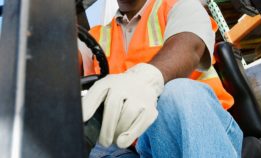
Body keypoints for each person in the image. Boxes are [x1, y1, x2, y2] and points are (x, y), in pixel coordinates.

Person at [81, 0, 243, 157]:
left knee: (177, 93)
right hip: (135, 146)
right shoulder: (94, 37)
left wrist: (144, 80)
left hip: (201, 133)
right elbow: (62, 63)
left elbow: (190, 48)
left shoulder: (180, 6)